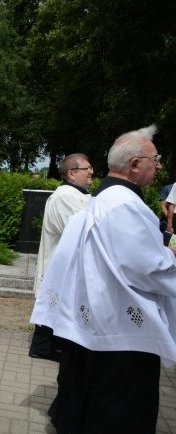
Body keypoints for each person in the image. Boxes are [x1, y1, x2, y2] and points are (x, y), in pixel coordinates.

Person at [31, 125, 176, 433]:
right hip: (120, 331)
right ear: (135, 165)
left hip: (101, 318)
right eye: (156, 157)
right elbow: (147, 267)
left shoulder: (104, 198)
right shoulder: (122, 205)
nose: (160, 164)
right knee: (117, 407)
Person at [29, 153, 93, 362]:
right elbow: (77, 230)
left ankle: (50, 344)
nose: (92, 172)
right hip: (61, 261)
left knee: (57, 303)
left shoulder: (80, 194)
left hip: (71, 262)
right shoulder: (66, 195)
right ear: (72, 174)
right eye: (87, 169)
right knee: (55, 301)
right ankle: (42, 347)